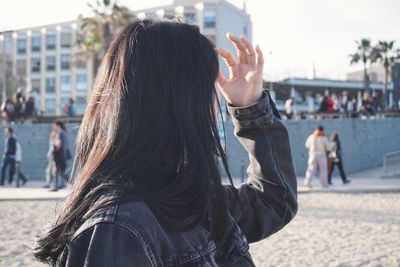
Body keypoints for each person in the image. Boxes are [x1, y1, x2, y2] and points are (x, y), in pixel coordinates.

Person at [33, 19, 298, 266]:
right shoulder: (119, 228)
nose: (215, 103)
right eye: (208, 88)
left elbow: (274, 200)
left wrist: (249, 106)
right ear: (177, 100)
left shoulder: (186, 194)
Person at [50, 120, 70, 191]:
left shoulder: (60, 133)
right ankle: (61, 184)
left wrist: (53, 147)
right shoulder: (64, 133)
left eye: (54, 125)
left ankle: (71, 182)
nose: (53, 127)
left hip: (59, 155)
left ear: (58, 126)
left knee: (58, 171)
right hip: (63, 155)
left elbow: (58, 145)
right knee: (61, 171)